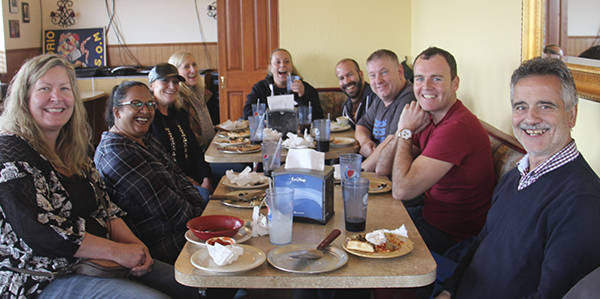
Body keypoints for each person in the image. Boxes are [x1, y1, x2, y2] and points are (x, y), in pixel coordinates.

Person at [0, 54, 197, 298]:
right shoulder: (9, 150)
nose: (57, 97)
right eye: (44, 88)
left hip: (100, 262)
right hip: (41, 277)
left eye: (65, 88)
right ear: (24, 97)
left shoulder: (73, 148)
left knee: (189, 288)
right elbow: (40, 232)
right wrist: (116, 252)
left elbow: (107, 209)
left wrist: (137, 248)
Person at [435, 57, 600, 299]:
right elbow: (481, 245)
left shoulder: (584, 201)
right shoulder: (518, 175)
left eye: (546, 106)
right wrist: (449, 290)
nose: (530, 118)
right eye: (521, 106)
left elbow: (552, 295)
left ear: (572, 115)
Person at [376, 47, 496, 254]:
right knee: (365, 224)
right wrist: (401, 131)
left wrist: (405, 130)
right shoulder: (429, 118)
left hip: (452, 238)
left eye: (437, 79)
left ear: (455, 83)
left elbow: (402, 190)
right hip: (429, 216)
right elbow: (381, 170)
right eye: (420, 78)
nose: (426, 87)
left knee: (369, 239)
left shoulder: (457, 127)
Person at [94, 81, 208, 264]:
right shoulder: (117, 154)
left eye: (150, 104)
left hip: (183, 227)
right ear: (117, 112)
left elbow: (179, 176)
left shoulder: (143, 139)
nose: (146, 111)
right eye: (136, 104)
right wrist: (202, 214)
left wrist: (200, 207)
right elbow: (170, 211)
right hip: (164, 246)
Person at [148, 63, 212, 195]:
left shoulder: (180, 113)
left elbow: (195, 149)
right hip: (170, 184)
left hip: (195, 176)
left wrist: (206, 178)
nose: (172, 87)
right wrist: (187, 181)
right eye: (165, 81)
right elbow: (157, 163)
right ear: (152, 85)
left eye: (175, 82)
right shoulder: (148, 119)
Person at [355, 49, 415, 171]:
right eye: (372, 75)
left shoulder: (410, 99)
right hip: (376, 169)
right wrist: (365, 142)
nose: (378, 81)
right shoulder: (381, 97)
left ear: (400, 71)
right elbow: (362, 124)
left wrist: (356, 174)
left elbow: (392, 146)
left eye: (384, 72)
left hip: (391, 176)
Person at [243, 48, 324, 119]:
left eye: (286, 62)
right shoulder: (260, 88)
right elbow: (247, 115)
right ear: (271, 68)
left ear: (291, 67)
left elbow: (319, 117)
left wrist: (302, 96)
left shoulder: (305, 88)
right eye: (277, 62)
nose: (282, 65)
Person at [168, 51, 216, 150]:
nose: (193, 70)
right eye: (186, 67)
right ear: (176, 73)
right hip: (199, 154)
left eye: (194, 65)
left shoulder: (202, 93)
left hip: (211, 147)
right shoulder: (178, 100)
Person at [335, 58, 376, 129]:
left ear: (361, 74)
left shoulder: (376, 98)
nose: (346, 81)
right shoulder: (345, 107)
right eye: (341, 78)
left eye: (350, 75)